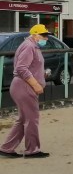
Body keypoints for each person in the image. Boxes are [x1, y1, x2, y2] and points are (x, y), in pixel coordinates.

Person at [0, 24, 52, 159]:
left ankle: (7, 148)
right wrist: (36, 84)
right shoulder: (29, 46)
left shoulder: (32, 46)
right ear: (34, 35)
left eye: (46, 35)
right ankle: (32, 150)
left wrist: (41, 75)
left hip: (22, 86)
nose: (46, 38)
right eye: (43, 35)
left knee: (24, 119)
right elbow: (22, 68)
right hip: (24, 87)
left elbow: (28, 67)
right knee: (32, 119)